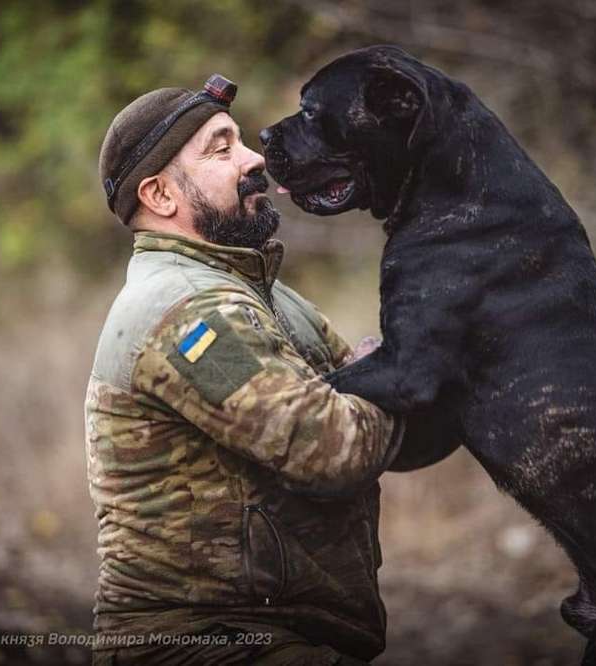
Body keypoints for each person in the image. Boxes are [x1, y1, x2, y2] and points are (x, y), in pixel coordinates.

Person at [85, 74, 404, 665]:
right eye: (222, 148)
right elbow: (334, 450)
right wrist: (393, 368)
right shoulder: (190, 312)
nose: (255, 157)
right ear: (159, 196)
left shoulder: (260, 293)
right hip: (200, 642)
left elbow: (383, 421)